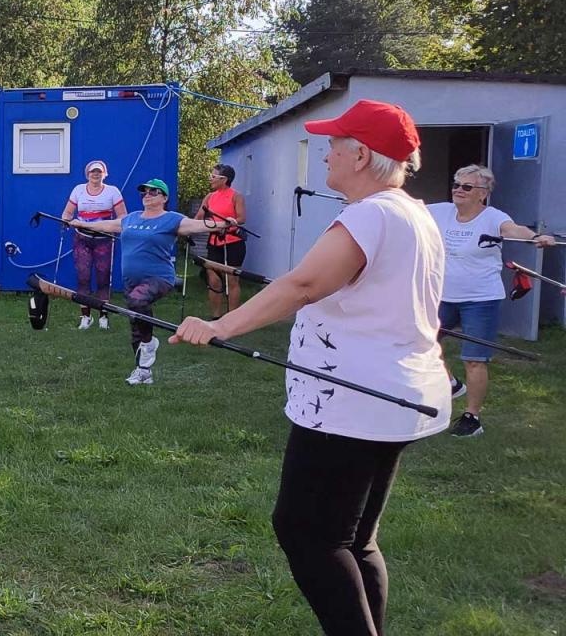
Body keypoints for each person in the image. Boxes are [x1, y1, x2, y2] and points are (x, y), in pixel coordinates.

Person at [173, 99, 449, 635]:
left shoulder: (370, 214)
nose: (326, 155)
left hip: (353, 401)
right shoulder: (415, 211)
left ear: (362, 155)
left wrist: (220, 325)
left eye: (334, 146)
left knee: (307, 534)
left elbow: (303, 284)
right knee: (354, 537)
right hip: (399, 395)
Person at [427, 164, 556, 438]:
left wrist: (535, 237)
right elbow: (407, 210)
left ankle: (472, 417)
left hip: (480, 299)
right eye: (456, 184)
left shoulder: (493, 218)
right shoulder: (440, 212)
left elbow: (514, 229)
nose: (458, 190)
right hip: (443, 296)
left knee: (474, 359)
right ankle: (450, 384)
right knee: (424, 343)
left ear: (483, 194)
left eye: (466, 187)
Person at [63, 178, 232, 385]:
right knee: (135, 324)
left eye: (154, 192)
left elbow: (199, 225)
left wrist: (224, 224)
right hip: (131, 280)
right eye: (145, 192)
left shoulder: (172, 219)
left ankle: (150, 343)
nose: (148, 195)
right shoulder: (131, 218)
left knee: (137, 301)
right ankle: (143, 370)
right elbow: (107, 224)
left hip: (160, 278)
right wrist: (80, 223)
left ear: (164, 198)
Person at [60, 160, 127, 329]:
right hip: (82, 238)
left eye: (99, 172)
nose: (95, 174)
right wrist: (66, 220)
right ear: (87, 174)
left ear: (105, 174)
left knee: (103, 277)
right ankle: (85, 317)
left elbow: (123, 217)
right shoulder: (78, 190)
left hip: (104, 239)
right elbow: (68, 212)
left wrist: (109, 226)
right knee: (83, 277)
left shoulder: (113, 191)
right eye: (92, 172)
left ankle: (103, 317)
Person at [196, 163, 248, 317]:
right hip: (214, 243)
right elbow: (199, 217)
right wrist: (187, 228)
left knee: (232, 280)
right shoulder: (210, 197)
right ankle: (216, 317)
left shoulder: (236, 196)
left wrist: (232, 221)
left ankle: (232, 318)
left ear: (224, 179)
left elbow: (242, 218)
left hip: (233, 243)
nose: (210, 179)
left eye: (213, 176)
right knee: (213, 280)